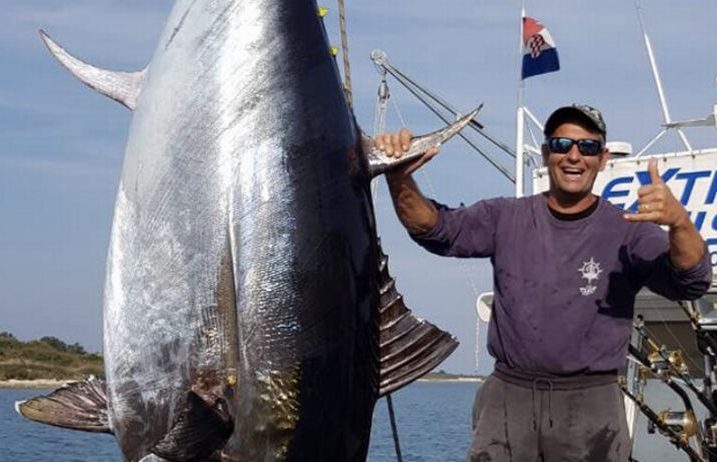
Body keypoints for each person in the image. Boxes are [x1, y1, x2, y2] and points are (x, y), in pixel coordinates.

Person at [377, 104, 713, 462]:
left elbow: (690, 282)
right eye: (561, 144)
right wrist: (398, 177)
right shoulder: (504, 217)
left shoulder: (627, 231)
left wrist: (680, 224)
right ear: (545, 154)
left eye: (586, 147)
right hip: (507, 398)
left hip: (592, 406)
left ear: (603, 159)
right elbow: (434, 229)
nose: (573, 155)